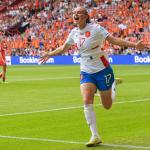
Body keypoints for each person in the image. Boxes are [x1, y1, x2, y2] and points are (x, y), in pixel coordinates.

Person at [39, 6, 147, 147]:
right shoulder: (74, 32)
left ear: (86, 15)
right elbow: (63, 48)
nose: (75, 15)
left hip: (102, 70)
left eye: (78, 13)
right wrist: (49, 54)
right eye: (73, 13)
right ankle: (95, 136)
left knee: (107, 105)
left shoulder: (96, 28)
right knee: (86, 100)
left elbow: (113, 40)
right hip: (86, 70)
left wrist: (134, 44)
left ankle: (113, 85)